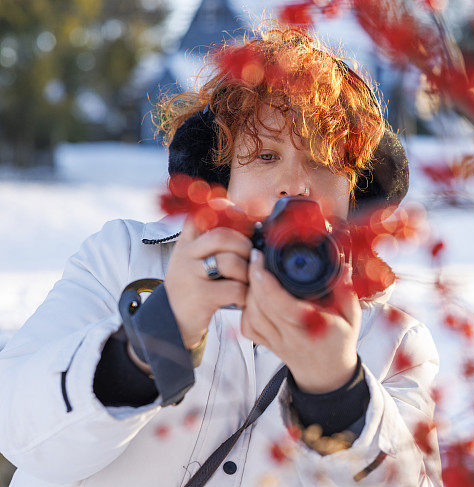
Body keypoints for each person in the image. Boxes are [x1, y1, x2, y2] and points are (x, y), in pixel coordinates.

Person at [0, 23, 441, 487]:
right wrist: (153, 337)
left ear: (355, 193)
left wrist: (340, 394)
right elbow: (16, 429)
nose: (296, 185)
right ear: (222, 174)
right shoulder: (121, 259)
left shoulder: (394, 341)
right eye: (266, 156)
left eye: (323, 162)